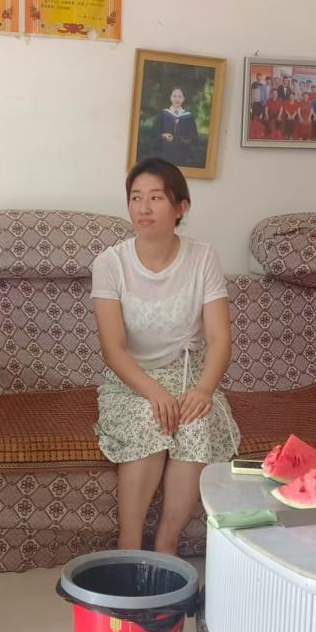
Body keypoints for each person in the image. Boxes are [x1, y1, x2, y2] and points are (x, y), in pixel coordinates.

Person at [91, 158, 240, 554]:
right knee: (149, 418)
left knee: (195, 424)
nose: (143, 208)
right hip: (132, 379)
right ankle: (128, 544)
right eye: (136, 198)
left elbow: (219, 338)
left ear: (180, 207)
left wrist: (204, 390)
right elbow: (112, 349)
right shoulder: (110, 264)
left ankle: (166, 546)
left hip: (189, 375)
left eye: (156, 198)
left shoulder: (203, 258)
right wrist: (153, 392)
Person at [151, 87, 200, 167]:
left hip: (183, 155)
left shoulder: (188, 117)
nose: (177, 99)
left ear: (183, 99)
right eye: (174, 96)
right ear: (170, 97)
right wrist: (164, 135)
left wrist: (181, 140)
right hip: (164, 154)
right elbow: (154, 133)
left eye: (180, 96)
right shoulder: (163, 114)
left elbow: (193, 137)